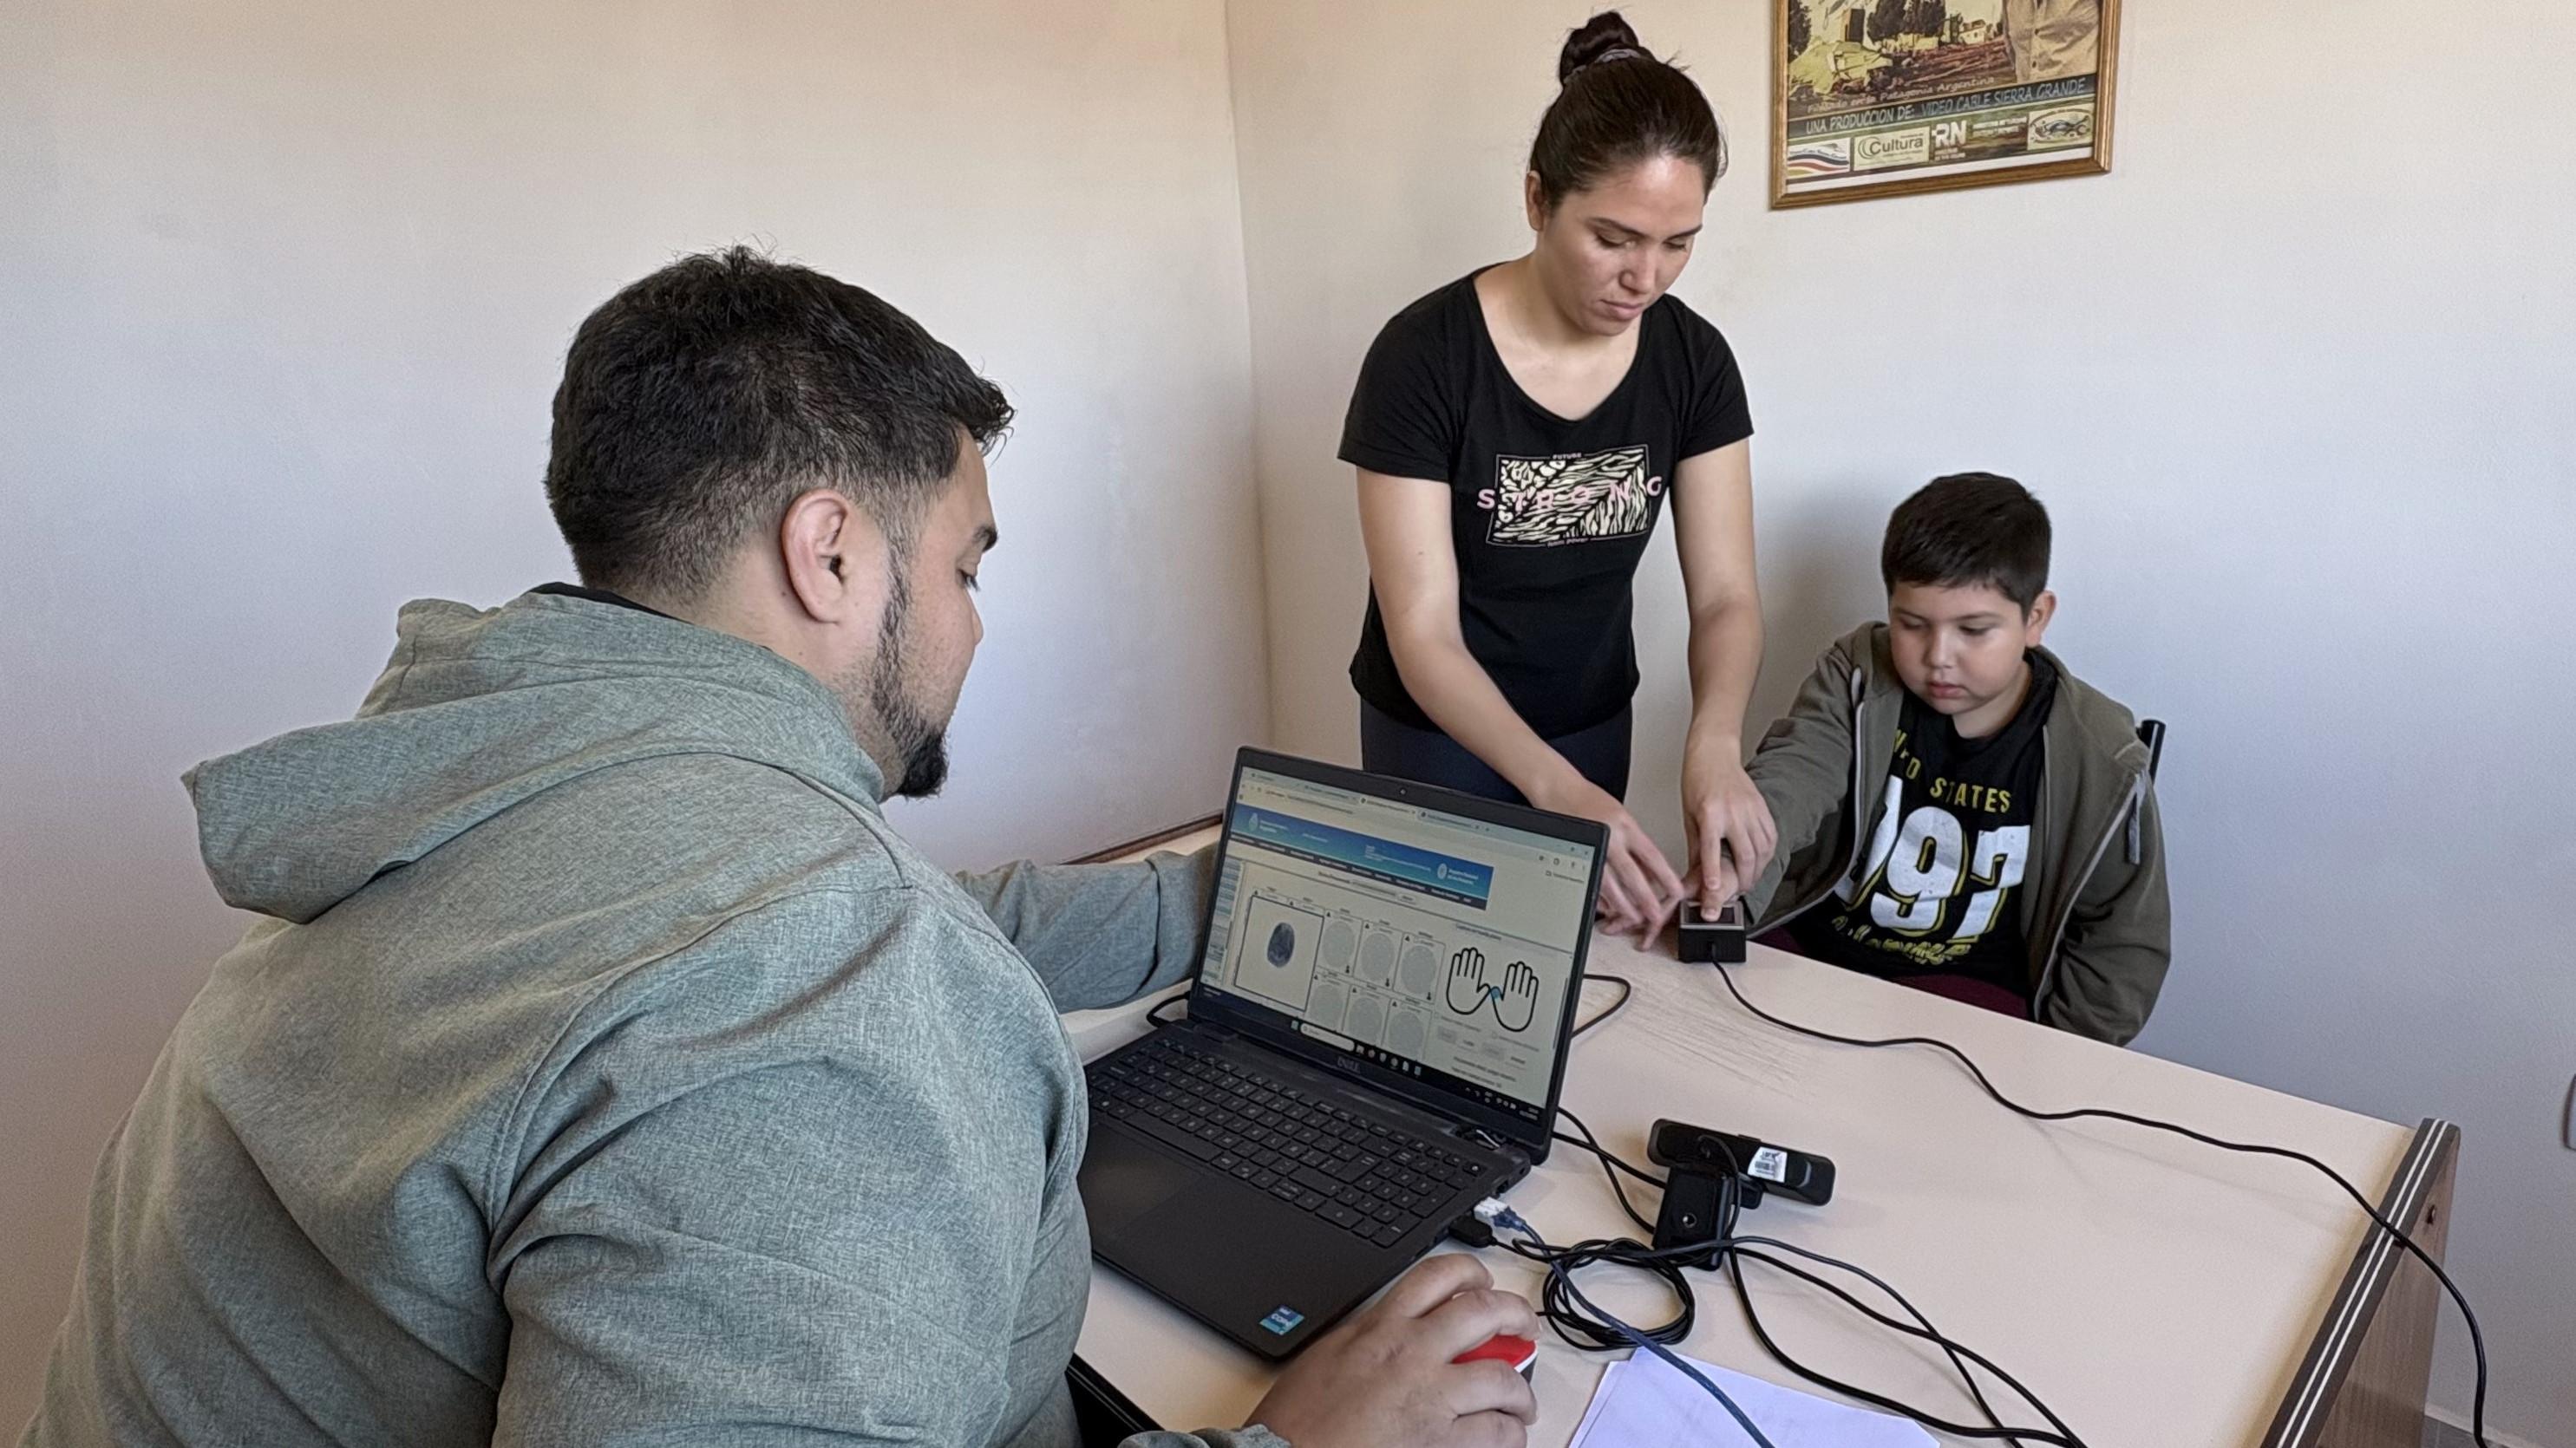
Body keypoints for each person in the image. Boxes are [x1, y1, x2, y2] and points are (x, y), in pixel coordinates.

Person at [20, 250, 1538, 1448]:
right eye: (965, 566)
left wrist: (1239, 899)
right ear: (829, 554)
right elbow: (827, 972)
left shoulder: (512, 780)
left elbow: (937, 919)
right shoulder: (806, 996)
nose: (973, 626)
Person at [1341, 10, 1775, 942]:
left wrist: (1715, 742)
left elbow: (1727, 596)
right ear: (1538, 199)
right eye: (1613, 238)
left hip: (1589, 720)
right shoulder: (1423, 358)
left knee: (1572, 966)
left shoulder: (1694, 363)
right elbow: (1423, 633)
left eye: (1679, 242)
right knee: (1431, 965)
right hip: (1437, 734)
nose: (1646, 277)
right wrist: (1552, 787)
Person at [1737, 473, 2171, 1044]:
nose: (1939, 656)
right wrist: (1728, 887)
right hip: (1815, 950)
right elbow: (1790, 781)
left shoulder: (2104, 754)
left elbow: (2121, 943)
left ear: (2035, 618)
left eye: (1973, 630)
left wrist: (2062, 1056)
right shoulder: (1857, 675)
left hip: (1972, 992)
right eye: (1912, 625)